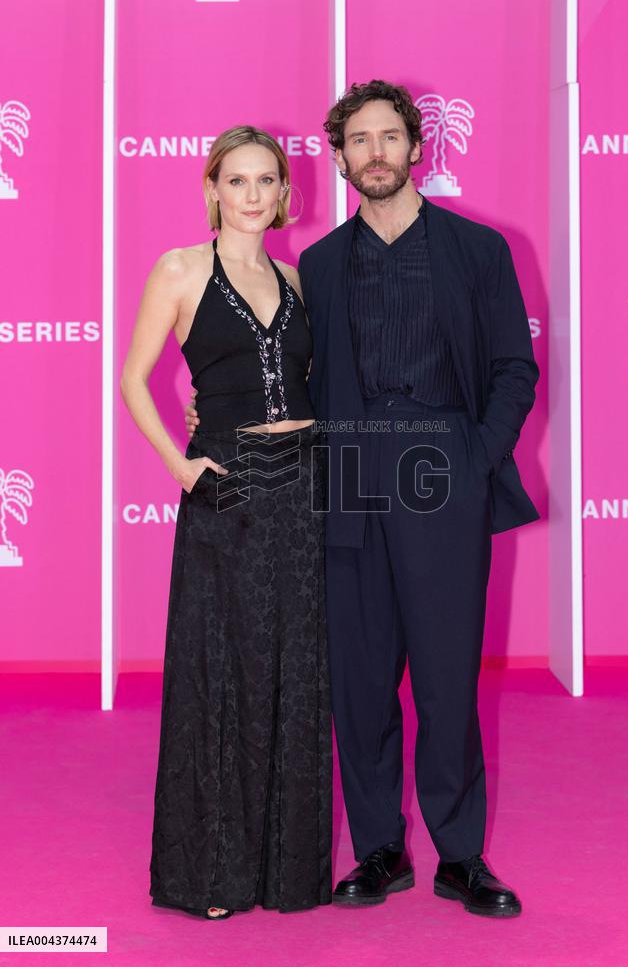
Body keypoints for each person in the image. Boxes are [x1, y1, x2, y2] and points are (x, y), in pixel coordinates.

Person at [186, 81, 539, 918]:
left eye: (389, 136)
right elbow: (286, 369)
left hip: (442, 472)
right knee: (360, 677)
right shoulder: (319, 264)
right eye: (358, 141)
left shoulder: (479, 251)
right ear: (340, 158)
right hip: (342, 477)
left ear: (417, 147)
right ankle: (379, 848)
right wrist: (216, 407)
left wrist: (474, 455)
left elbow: (512, 370)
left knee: (449, 678)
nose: (375, 152)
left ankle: (460, 856)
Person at [120, 126, 332, 920]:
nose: (251, 195)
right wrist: (179, 463)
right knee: (223, 674)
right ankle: (212, 873)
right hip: (228, 490)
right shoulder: (177, 270)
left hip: (305, 484)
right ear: (212, 188)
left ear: (283, 193)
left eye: (265, 181)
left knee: (297, 669)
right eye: (236, 180)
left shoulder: (296, 276)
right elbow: (133, 380)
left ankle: (289, 873)